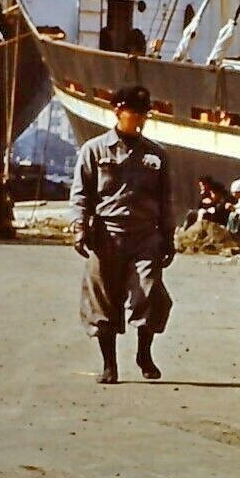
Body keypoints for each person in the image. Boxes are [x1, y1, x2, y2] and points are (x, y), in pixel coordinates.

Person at [69, 85, 174, 384]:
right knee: (103, 300)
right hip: (106, 236)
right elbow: (80, 195)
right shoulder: (94, 150)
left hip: (145, 237)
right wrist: (79, 228)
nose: (139, 120)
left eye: (143, 114)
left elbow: (166, 200)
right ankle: (109, 365)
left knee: (150, 293)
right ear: (117, 111)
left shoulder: (156, 155)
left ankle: (144, 353)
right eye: (133, 113)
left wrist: (169, 237)